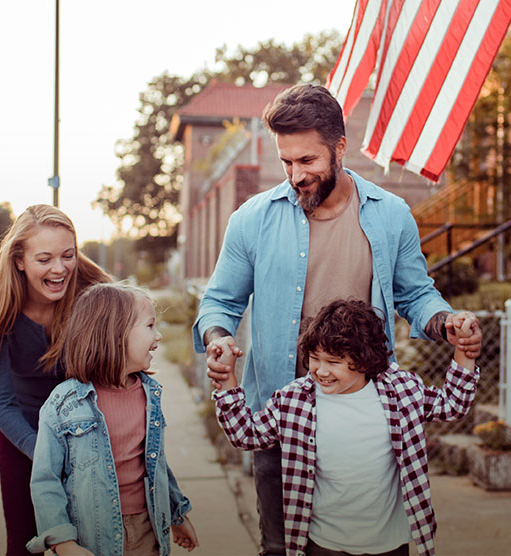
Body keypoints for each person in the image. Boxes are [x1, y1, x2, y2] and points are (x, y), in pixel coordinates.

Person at [194, 82, 483, 556]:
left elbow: (417, 294)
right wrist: (219, 337)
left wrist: (446, 323)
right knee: (280, 547)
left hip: (368, 418)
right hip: (283, 418)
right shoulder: (252, 219)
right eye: (286, 161)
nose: (295, 175)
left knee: (374, 542)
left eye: (307, 161)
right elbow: (218, 304)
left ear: (340, 147)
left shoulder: (391, 215)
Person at [212, 299, 479, 556]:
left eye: (334, 362)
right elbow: (246, 434)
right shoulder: (296, 401)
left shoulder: (401, 392)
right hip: (324, 543)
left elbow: (452, 405)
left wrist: (464, 350)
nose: (320, 371)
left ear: (364, 360)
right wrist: (227, 381)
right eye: (315, 358)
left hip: (389, 542)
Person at [0, 204, 111, 556]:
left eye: (68, 255)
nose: (59, 269)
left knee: (93, 542)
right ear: (19, 260)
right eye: (44, 259)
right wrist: (44, 455)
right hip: (23, 436)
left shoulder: (93, 294)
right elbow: (2, 402)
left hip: (88, 434)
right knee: (23, 546)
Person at [28, 283, 199, 556]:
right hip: (91, 535)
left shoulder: (149, 395)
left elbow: (157, 465)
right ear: (117, 334)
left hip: (147, 528)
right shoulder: (63, 404)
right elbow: (46, 481)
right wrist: (62, 542)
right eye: (150, 326)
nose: (159, 335)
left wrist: (177, 515)